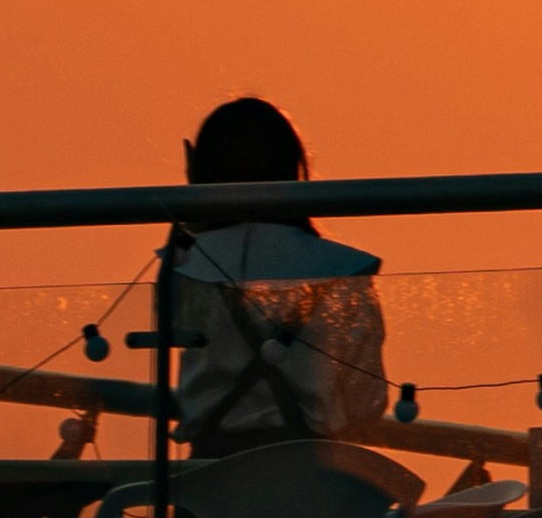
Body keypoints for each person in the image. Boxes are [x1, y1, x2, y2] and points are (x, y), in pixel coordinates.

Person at [162, 97, 397, 456]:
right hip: (309, 477)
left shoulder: (185, 271)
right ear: (293, 171)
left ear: (202, 175)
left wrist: (192, 217)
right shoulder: (345, 274)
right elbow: (367, 402)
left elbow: (163, 331)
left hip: (208, 479)